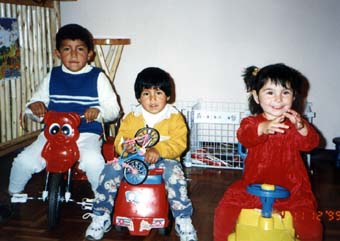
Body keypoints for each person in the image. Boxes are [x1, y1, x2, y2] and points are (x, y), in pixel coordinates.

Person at [84, 67, 198, 241]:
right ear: (139, 97)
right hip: (133, 160)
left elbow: (179, 142)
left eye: (158, 92)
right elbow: (120, 139)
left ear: (168, 96)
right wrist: (125, 147)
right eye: (146, 93)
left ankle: (183, 218)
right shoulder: (132, 117)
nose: (152, 98)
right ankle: (101, 214)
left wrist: (159, 150)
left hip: (165, 161)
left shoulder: (174, 117)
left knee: (175, 177)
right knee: (110, 169)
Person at [8, 24, 120, 199]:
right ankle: (13, 195)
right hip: (53, 133)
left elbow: (114, 110)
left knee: (94, 162)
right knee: (24, 160)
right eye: (67, 49)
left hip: (86, 133)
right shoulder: (52, 76)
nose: (74, 54)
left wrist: (98, 111)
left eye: (80, 49)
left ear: (90, 54)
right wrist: (35, 106)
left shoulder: (97, 77)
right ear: (58, 53)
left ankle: (103, 201)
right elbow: (33, 104)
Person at [213, 63, 323, 241]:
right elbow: (244, 136)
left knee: (311, 227)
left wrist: (302, 127)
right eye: (270, 92)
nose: (278, 99)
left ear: (294, 96)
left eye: (285, 92)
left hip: (293, 190)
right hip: (253, 187)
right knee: (224, 210)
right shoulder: (251, 122)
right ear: (257, 96)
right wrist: (263, 128)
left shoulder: (294, 123)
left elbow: (311, 143)